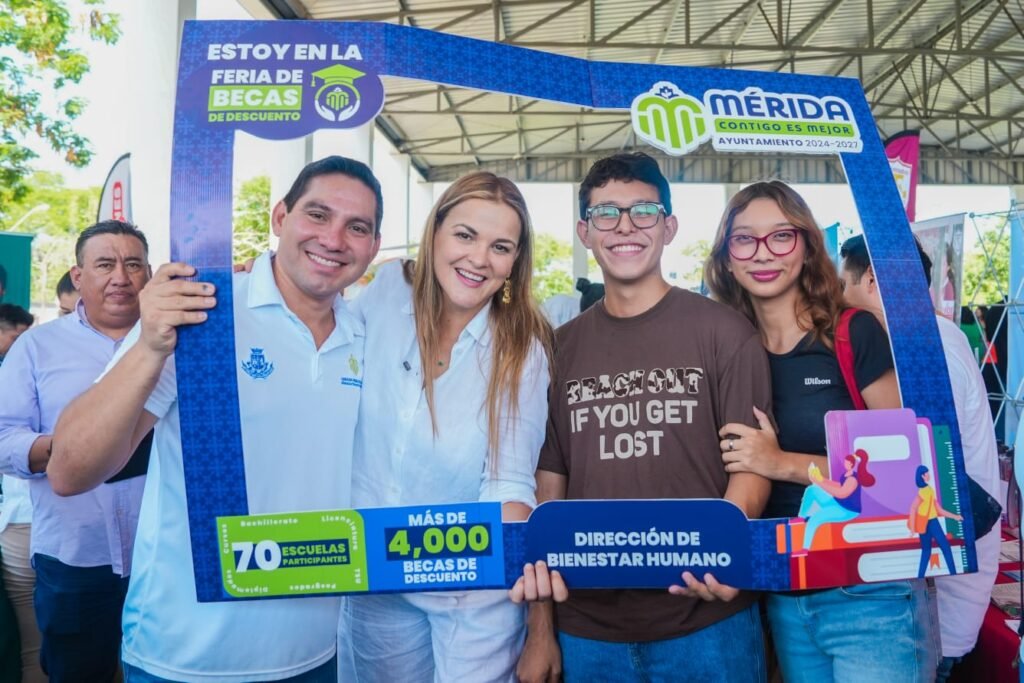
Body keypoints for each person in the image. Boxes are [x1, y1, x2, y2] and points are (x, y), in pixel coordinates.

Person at [48, 156, 382, 682]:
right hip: (184, 657)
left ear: (374, 246)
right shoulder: (199, 309)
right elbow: (69, 471)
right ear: (280, 217)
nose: (334, 239)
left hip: (317, 652)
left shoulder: (366, 333)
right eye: (318, 215)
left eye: (357, 227)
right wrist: (149, 346)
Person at [516, 153, 773, 683]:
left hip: (707, 619)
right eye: (606, 213)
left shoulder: (726, 333)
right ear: (585, 233)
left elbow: (751, 468)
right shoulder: (556, 350)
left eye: (644, 211)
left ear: (669, 227)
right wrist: (540, 630)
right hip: (587, 628)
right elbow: (547, 492)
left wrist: (722, 553)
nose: (625, 226)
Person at [704, 181, 935, 682]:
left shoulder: (852, 333)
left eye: (780, 236)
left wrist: (781, 463)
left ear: (807, 246)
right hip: (782, 591)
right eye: (744, 239)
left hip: (869, 592)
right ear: (725, 258)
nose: (763, 252)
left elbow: (904, 477)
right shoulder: (725, 351)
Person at [337, 171, 553, 682]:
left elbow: (509, 481)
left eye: (500, 247)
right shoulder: (385, 292)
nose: (479, 259)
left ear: (515, 262)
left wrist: (535, 608)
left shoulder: (521, 350)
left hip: (472, 592)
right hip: (373, 575)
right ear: (434, 231)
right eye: (465, 235)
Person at [840, 232, 999, 681]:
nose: (837, 298)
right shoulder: (930, 337)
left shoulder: (926, 351)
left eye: (842, 285)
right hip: (934, 595)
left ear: (872, 281)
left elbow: (918, 467)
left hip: (936, 606)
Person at [0, 220, 151, 682]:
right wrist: (71, 451)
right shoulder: (37, 346)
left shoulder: (182, 343)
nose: (120, 277)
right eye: (104, 264)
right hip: (74, 556)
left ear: (150, 274)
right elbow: (4, 437)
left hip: (161, 554)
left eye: (133, 264)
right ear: (78, 276)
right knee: (76, 672)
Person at [797, 449, 875, 553]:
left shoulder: (853, 479)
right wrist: (821, 479)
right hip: (837, 503)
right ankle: (801, 517)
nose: (845, 464)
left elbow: (841, 493)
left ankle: (805, 549)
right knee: (811, 490)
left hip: (847, 510)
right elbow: (838, 485)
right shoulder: (846, 475)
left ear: (851, 464)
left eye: (846, 462)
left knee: (815, 518)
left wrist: (820, 483)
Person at [908, 466, 962, 579]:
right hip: (931, 524)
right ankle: (953, 573)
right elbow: (913, 508)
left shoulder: (928, 490)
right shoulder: (924, 492)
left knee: (927, 552)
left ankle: (920, 577)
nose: (929, 475)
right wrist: (912, 528)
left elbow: (939, 510)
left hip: (927, 524)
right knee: (944, 548)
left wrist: (955, 517)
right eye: (927, 473)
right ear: (922, 476)